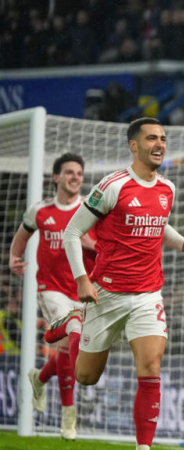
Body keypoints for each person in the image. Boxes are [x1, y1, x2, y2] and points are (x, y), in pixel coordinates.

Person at [44, 118, 184, 450]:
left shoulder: (167, 188)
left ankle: (143, 447)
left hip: (148, 294)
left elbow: (159, 226)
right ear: (134, 146)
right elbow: (72, 232)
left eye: (163, 138)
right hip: (106, 293)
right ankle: (74, 322)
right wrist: (82, 280)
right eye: (151, 138)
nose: (159, 144)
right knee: (86, 377)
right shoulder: (113, 185)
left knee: (151, 366)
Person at [8, 153, 95, 440]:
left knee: (68, 351)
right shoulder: (40, 210)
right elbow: (22, 235)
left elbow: (106, 249)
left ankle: (40, 378)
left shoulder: (91, 209)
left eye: (79, 173)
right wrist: (14, 257)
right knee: (71, 334)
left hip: (83, 289)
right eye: (69, 172)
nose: (75, 177)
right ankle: (69, 417)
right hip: (51, 288)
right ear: (56, 177)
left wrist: (90, 245)